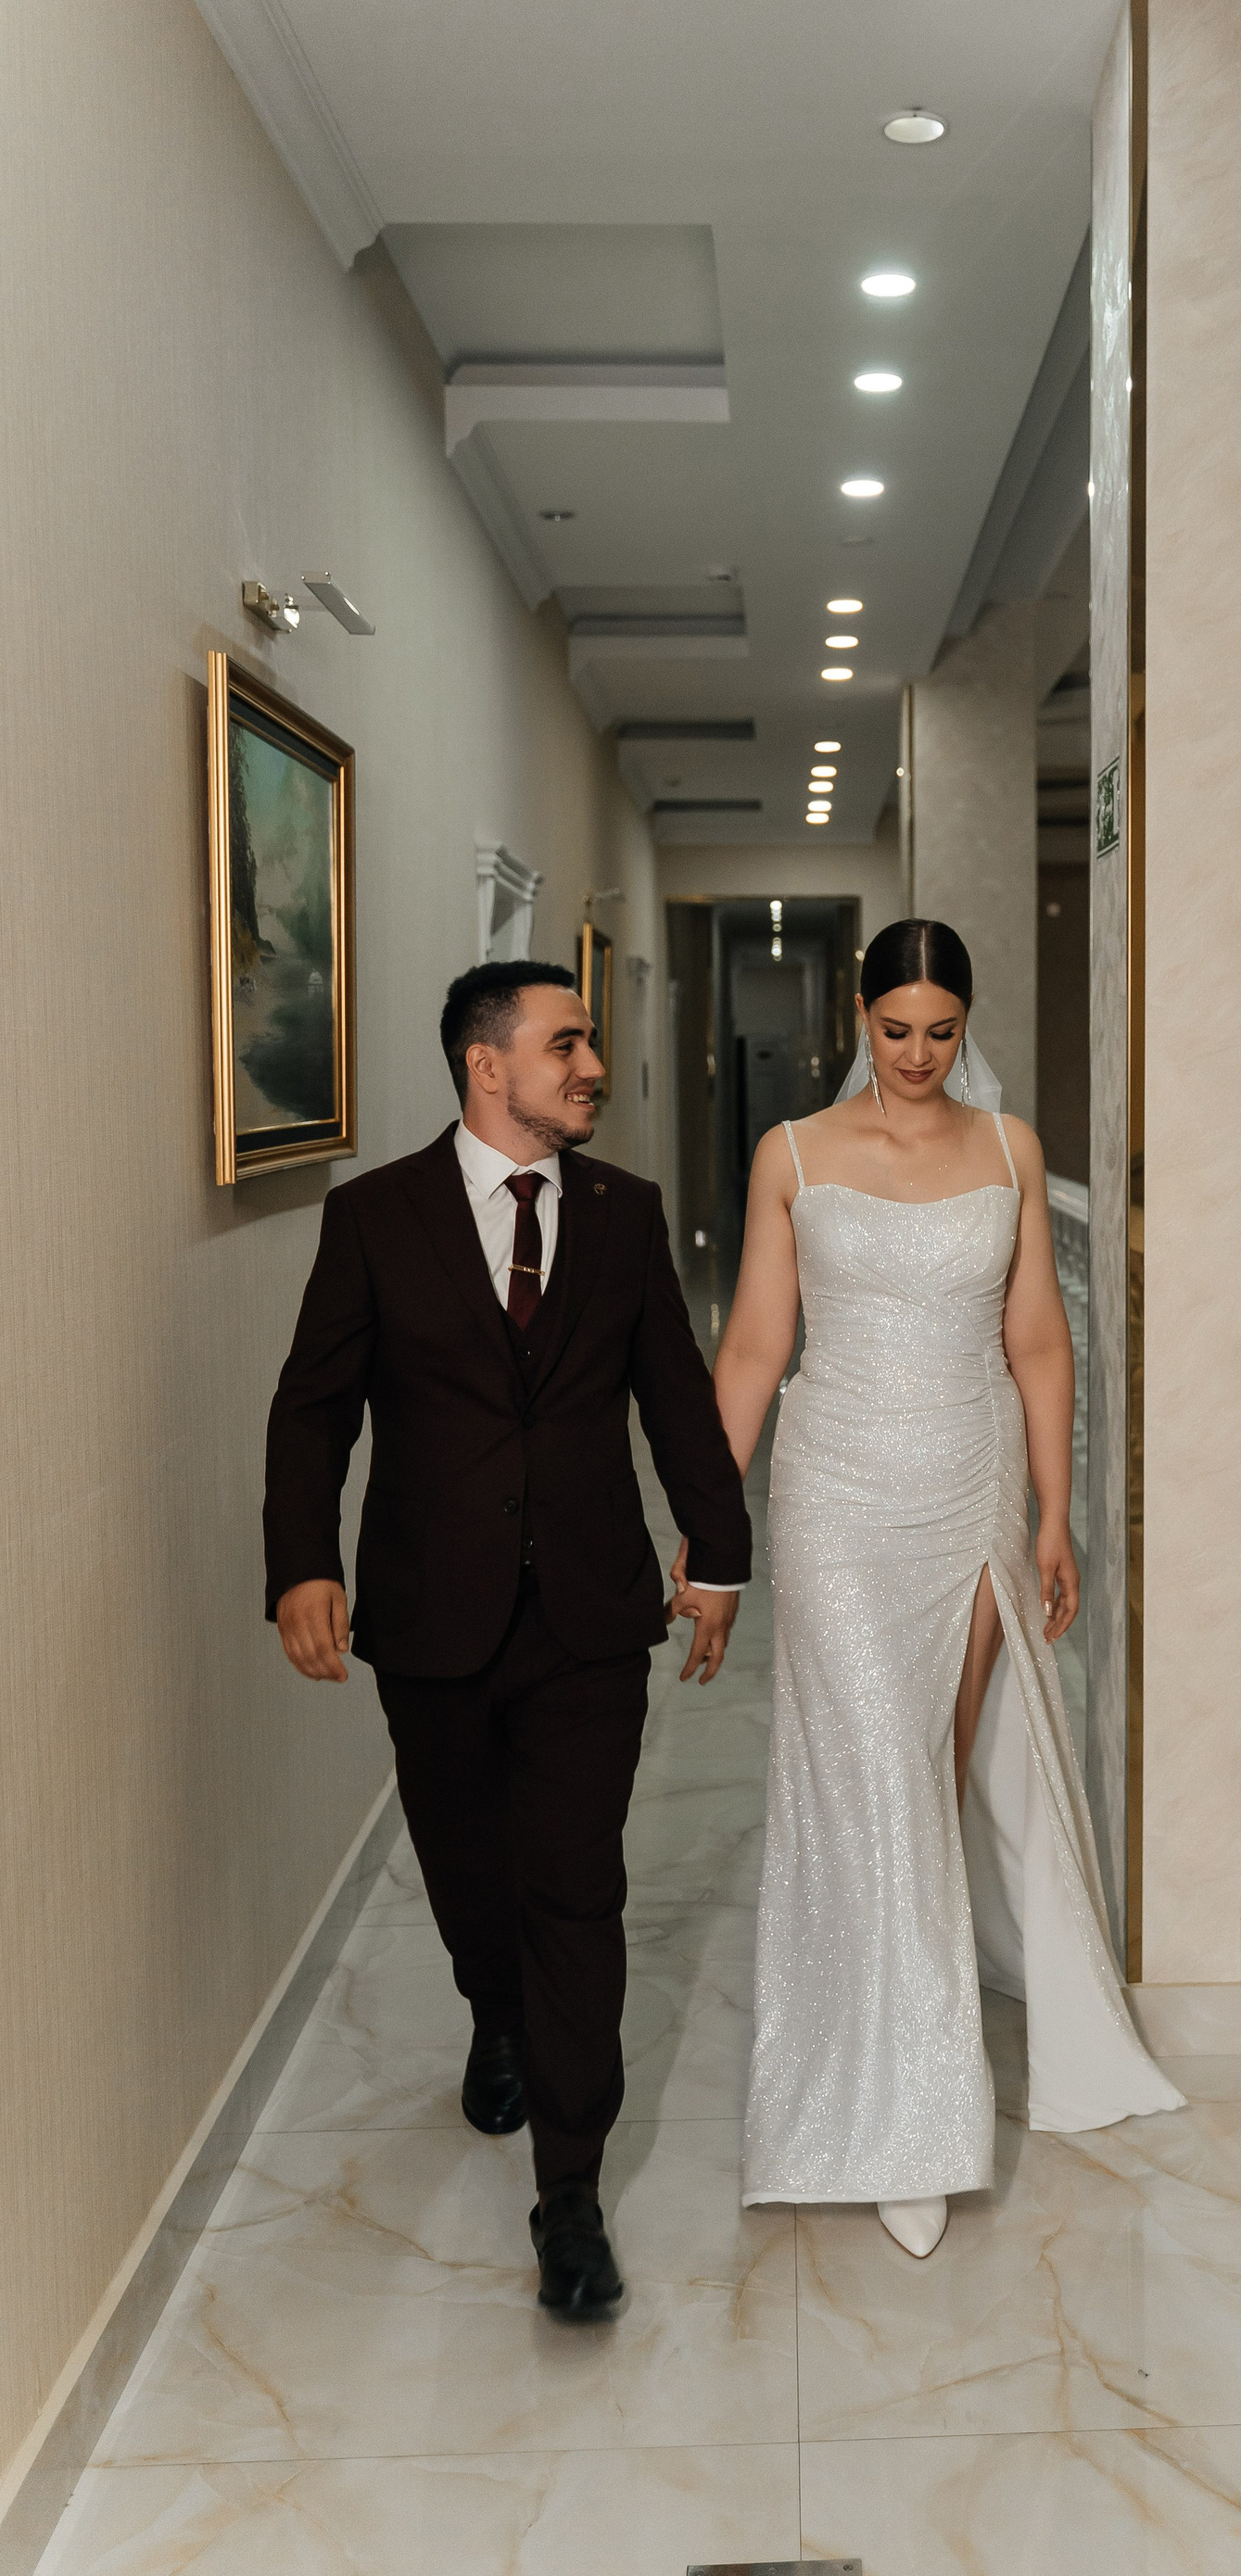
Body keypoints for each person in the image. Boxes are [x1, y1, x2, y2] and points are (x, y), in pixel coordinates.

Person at [263, 960, 751, 2320]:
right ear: (488, 1066)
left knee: (575, 1889)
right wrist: (301, 1562)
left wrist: (719, 1554)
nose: (593, 1067)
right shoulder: (376, 1217)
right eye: (567, 1044)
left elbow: (676, 1397)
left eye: (589, 1044)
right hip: (433, 1611)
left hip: (591, 1614)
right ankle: (493, 2008)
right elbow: (314, 1409)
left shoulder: (623, 1213)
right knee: (471, 1875)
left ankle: (570, 2194)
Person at [714, 917, 1182, 2262]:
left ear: (965, 1027)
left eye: (940, 1033)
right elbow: (753, 1346)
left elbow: (1039, 1342)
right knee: (868, 1773)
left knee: (921, 1777)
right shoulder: (793, 1154)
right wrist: (706, 1515)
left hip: (968, 1491)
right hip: (834, 1495)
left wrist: (1054, 1508)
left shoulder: (1010, 1150)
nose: (916, 1055)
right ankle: (895, 2118)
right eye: (893, 1030)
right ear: (858, 1019)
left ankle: (915, 2085)